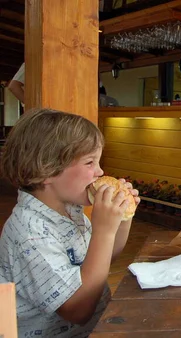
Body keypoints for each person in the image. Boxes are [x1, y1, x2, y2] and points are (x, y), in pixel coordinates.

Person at [0, 109, 139, 337]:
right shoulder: (29, 232)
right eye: (89, 163)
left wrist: (123, 218)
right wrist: (103, 231)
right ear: (46, 170)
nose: (100, 171)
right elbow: (78, 310)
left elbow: (102, 258)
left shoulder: (69, 210)